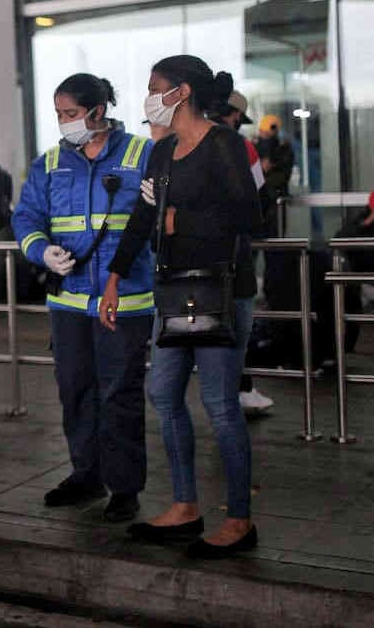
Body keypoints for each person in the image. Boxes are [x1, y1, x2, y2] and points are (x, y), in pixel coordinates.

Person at [102, 55, 264, 558]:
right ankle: (185, 506)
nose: (148, 97)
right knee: (163, 393)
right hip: (172, 290)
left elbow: (250, 216)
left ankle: (239, 519)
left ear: (182, 92)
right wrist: (113, 276)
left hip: (221, 289)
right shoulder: (163, 151)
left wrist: (182, 223)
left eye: (155, 87)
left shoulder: (225, 145)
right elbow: (143, 215)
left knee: (219, 404)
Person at [12, 74, 155, 523]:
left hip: (126, 300)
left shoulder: (140, 154)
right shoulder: (50, 163)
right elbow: (26, 217)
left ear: (97, 111)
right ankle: (86, 474)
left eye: (70, 114)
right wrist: (42, 251)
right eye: (58, 114)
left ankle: (125, 488)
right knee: (75, 392)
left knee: (120, 396)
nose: (63, 122)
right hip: (69, 302)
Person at [208, 88, 274, 416]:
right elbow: (260, 197)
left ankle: (231, 390)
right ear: (233, 114)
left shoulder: (179, 142)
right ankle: (239, 390)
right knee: (233, 325)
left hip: (185, 258)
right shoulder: (242, 145)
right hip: (232, 254)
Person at [255, 114, 295, 236]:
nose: (263, 137)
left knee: (275, 245)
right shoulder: (253, 148)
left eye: (267, 135)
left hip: (275, 204)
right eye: (262, 133)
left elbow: (282, 177)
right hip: (257, 205)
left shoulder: (283, 150)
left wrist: (269, 166)